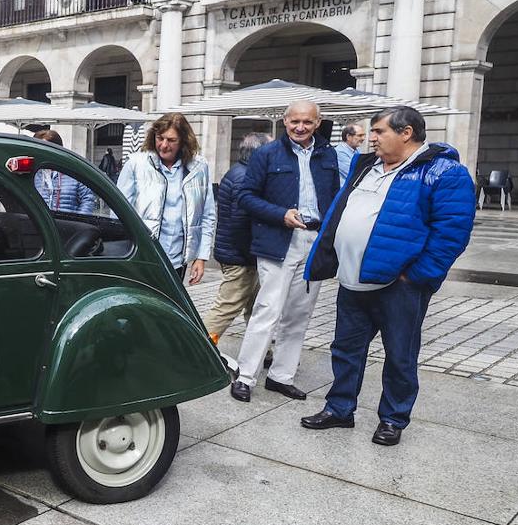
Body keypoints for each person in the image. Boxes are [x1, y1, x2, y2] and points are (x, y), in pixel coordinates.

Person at [301, 107, 474, 445]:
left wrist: (417, 276)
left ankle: (393, 419)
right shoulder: (365, 165)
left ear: (406, 132)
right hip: (353, 280)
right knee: (345, 349)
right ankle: (339, 409)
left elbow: (451, 234)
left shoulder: (444, 172)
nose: (372, 138)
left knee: (400, 355)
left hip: (399, 286)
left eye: (379, 131)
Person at [230, 101, 339, 402]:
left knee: (299, 314)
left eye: (307, 122)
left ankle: (281, 376)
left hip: (314, 240)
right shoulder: (267, 154)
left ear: (318, 123)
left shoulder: (327, 153)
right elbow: (246, 197)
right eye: (294, 122)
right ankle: (246, 376)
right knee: (267, 309)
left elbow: (333, 196)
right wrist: (280, 214)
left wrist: (330, 236)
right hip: (279, 240)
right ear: (284, 121)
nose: (300, 128)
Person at [116, 113, 216, 284]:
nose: (163, 145)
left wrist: (201, 257)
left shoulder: (199, 167)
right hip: (142, 257)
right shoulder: (136, 164)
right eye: (159, 138)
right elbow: (118, 211)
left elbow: (207, 215)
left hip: (178, 260)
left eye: (171, 140)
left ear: (183, 141)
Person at [202, 132, 272, 344]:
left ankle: (263, 352)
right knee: (227, 306)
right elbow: (241, 225)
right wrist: (251, 256)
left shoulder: (238, 172)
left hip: (237, 253)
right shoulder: (245, 178)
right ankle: (200, 350)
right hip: (241, 257)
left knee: (254, 307)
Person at [30, 130, 97, 215]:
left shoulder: (73, 172)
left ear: (58, 149)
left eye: (46, 148)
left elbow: (88, 199)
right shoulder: (34, 174)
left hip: (68, 225)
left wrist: (78, 222)